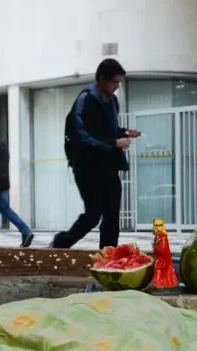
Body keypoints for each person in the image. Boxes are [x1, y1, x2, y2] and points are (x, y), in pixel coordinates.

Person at [52, 59, 140, 249]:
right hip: (86, 167)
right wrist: (113, 143)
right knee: (93, 214)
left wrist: (123, 132)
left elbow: (108, 130)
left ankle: (109, 256)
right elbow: (81, 134)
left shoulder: (113, 101)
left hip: (108, 166)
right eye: (114, 82)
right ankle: (61, 243)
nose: (117, 86)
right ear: (101, 79)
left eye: (118, 82)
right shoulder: (86, 99)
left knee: (111, 214)